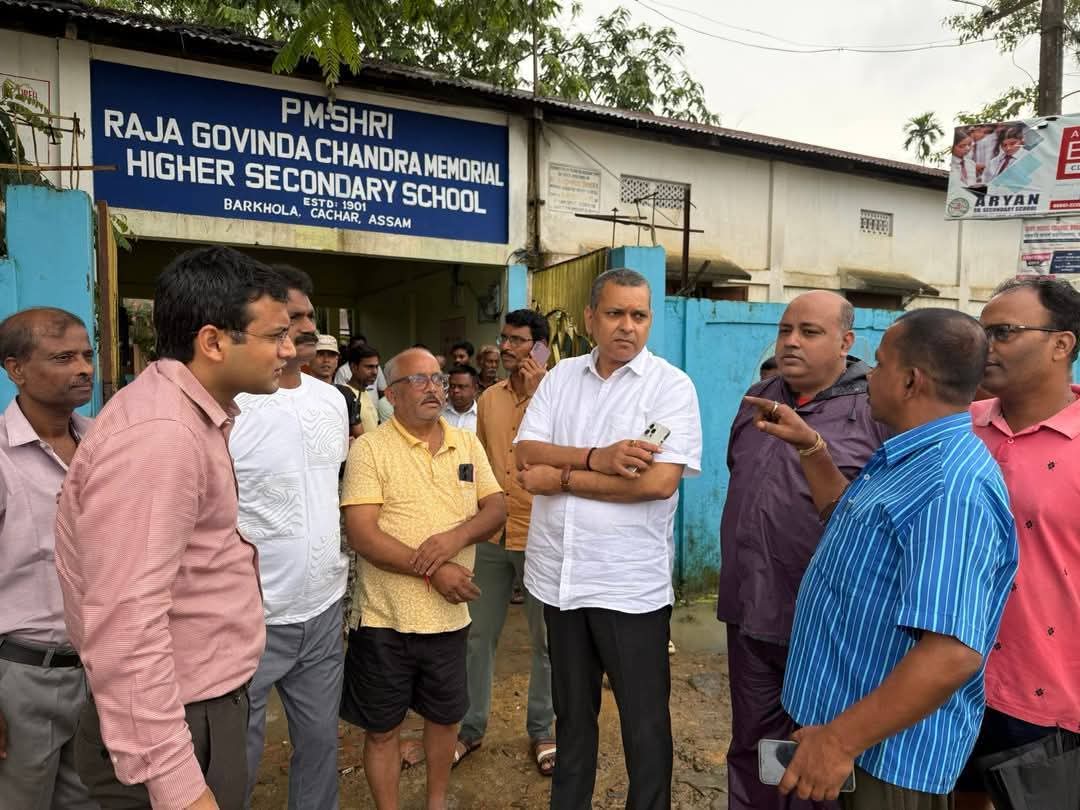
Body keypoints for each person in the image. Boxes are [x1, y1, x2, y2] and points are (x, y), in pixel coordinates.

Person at [55, 246, 292, 810]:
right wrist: (179, 788)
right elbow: (126, 625)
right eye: (276, 336)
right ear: (213, 342)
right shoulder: (161, 436)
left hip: (197, 705)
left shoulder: (185, 416)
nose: (289, 351)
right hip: (179, 721)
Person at [753, 308, 1017, 808]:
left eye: (879, 364)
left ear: (911, 381)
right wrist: (811, 448)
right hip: (848, 733)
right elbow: (851, 526)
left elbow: (951, 652)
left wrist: (839, 741)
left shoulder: (951, 489)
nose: (869, 375)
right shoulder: (908, 454)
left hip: (883, 758)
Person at [515, 268, 703, 809]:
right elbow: (526, 453)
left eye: (639, 315)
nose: (627, 326)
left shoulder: (670, 387)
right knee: (573, 718)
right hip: (559, 581)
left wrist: (562, 478)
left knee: (645, 726)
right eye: (615, 313)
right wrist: (597, 458)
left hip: (628, 588)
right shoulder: (560, 378)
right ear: (590, 318)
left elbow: (657, 483)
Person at [717, 291, 888, 810]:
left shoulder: (875, 411)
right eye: (785, 330)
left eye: (810, 332)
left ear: (846, 341)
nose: (791, 341)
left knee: (817, 757)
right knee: (754, 747)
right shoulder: (757, 400)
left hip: (826, 625)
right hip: (749, 610)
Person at [339, 348, 506, 810]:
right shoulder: (371, 449)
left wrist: (455, 539)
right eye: (419, 380)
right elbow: (362, 534)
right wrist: (436, 571)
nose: (434, 387)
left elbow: (496, 507)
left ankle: (435, 803)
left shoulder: (466, 444)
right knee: (382, 730)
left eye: (437, 378)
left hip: (449, 620)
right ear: (391, 395)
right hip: (384, 620)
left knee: (445, 719)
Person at [954, 277, 1080, 809]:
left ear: (1061, 344)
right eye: (981, 332)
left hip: (1051, 697)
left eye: (1002, 332)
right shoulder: (956, 429)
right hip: (948, 682)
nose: (984, 346)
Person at [228, 266, 349, 810]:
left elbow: (330, 488)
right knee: (238, 757)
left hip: (322, 609)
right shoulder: (235, 403)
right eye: (289, 318)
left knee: (321, 744)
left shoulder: (332, 400)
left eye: (308, 315)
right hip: (251, 616)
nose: (303, 327)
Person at [0, 308, 96, 809]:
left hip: (98, 673)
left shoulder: (104, 443)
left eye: (87, 355)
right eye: (63, 358)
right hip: (20, 679)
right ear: (16, 369)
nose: (83, 368)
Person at [456, 309, 555, 775]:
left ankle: (543, 729)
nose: (506, 348)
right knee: (476, 635)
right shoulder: (489, 399)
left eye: (518, 340)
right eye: (505, 339)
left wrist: (538, 393)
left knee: (546, 642)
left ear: (541, 348)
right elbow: (479, 461)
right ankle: (469, 728)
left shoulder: (558, 395)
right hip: (493, 532)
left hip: (543, 534)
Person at [310, 334, 362, 438]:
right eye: (320, 354)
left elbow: (359, 436)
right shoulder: (297, 392)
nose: (326, 360)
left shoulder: (346, 394)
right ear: (308, 359)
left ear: (337, 360)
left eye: (331, 355)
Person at [345, 344, 382, 436]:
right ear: (354, 367)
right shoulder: (345, 395)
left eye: (376, 367)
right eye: (369, 367)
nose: (375, 372)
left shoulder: (364, 392)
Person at [443, 364, 480, 431]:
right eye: (452, 386)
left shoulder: (482, 417)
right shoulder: (439, 414)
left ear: (475, 389)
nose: (455, 390)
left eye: (461, 386)